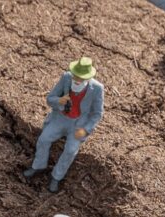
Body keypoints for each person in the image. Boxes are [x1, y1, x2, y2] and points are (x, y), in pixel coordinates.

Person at [23, 57, 104, 193]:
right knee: (44, 139)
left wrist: (86, 129)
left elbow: (97, 113)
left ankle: (56, 176)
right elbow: (50, 99)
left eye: (81, 78)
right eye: (75, 76)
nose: (77, 80)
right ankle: (38, 166)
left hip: (79, 124)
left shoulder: (97, 89)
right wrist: (59, 101)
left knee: (71, 150)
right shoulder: (66, 78)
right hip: (60, 119)